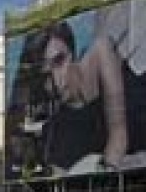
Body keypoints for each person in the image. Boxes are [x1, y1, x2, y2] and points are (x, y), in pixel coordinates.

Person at [36, 20, 146, 175]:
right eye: (46, 74)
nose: (56, 80)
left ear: (72, 54)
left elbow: (118, 135)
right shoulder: (57, 132)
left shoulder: (100, 52)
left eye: (59, 61)